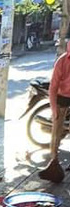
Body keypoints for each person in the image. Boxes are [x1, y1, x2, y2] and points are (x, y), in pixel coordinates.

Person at [39, 38, 70, 182]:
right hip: (61, 96)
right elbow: (53, 87)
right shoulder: (62, 61)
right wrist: (54, 110)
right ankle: (54, 161)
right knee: (56, 131)